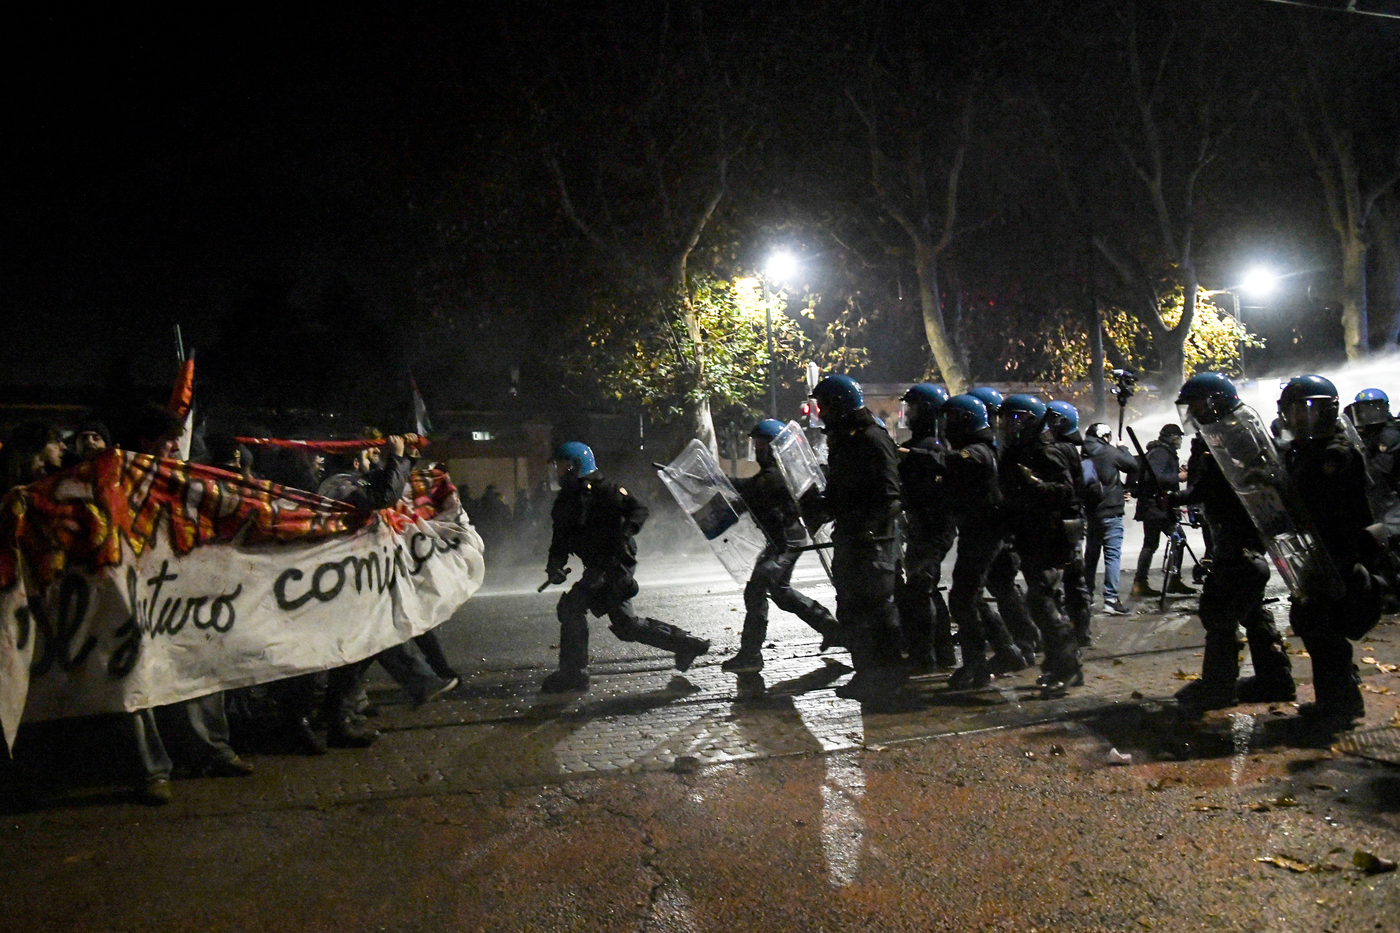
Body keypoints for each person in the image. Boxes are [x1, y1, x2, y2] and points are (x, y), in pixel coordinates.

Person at [540, 442, 710, 693]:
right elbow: (561, 539)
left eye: (562, 466)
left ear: (576, 466)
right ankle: (685, 644)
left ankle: (574, 674)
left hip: (615, 564)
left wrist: (624, 533)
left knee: (572, 606)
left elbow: (639, 510)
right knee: (626, 626)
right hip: (597, 566)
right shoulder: (565, 500)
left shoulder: (606, 490)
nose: (558, 471)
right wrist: (554, 566)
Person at [1171, 373, 1294, 714]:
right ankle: (1275, 679)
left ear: (1216, 402)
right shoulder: (1218, 436)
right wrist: (1179, 496)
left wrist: (1185, 494)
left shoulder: (1236, 435)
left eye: (1198, 404)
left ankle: (1218, 687)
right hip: (1234, 534)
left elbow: (1233, 484)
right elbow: (1208, 486)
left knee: (1219, 611)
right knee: (1252, 610)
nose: (1193, 413)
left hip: (1241, 535)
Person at [1278, 375, 1383, 733]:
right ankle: (1337, 699)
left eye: (1307, 410)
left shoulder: (1336, 454)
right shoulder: (1304, 450)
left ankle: (1340, 704)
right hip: (1318, 549)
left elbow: (1324, 503)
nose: (1298, 419)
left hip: (1338, 548)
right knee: (1314, 623)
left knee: (1323, 623)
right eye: (1293, 411)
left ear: (1328, 411)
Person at [805, 375, 905, 702]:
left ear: (838, 404)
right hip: (852, 538)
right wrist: (820, 504)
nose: (819, 413)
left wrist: (868, 531)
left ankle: (887, 680)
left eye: (822, 406)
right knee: (851, 612)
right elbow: (842, 492)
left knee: (875, 614)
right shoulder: (845, 438)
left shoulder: (870, 438)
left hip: (871, 542)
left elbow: (890, 496)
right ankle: (867, 675)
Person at [720, 420, 839, 672]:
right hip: (781, 541)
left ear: (773, 448)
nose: (757, 450)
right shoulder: (773, 474)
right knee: (781, 593)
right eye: (756, 445)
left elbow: (747, 491)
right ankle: (832, 628)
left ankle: (751, 655)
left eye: (761, 445)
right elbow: (747, 498)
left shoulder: (775, 476)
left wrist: (716, 479)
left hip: (786, 543)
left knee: (756, 590)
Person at [996, 394, 1083, 692]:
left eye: (1013, 418)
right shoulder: (1016, 452)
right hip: (1030, 536)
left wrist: (1035, 484)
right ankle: (1061, 665)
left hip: (1049, 537)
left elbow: (1066, 493)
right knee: (1043, 601)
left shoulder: (1044, 452)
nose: (1006, 424)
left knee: (1041, 600)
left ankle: (1067, 667)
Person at [940, 394, 1027, 687]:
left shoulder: (976, 452)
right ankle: (1007, 650)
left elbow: (954, 462)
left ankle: (976, 665)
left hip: (983, 533)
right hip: (986, 531)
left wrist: (917, 455)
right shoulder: (986, 446)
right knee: (972, 596)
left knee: (962, 599)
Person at [896, 383, 958, 672]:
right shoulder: (925, 444)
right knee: (927, 589)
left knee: (921, 590)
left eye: (914, 408)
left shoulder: (931, 447)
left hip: (931, 526)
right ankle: (941, 652)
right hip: (927, 525)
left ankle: (926, 656)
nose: (908, 413)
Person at [1045, 401, 1096, 646]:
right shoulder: (1076, 449)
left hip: (1066, 520)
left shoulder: (1062, 450)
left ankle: (1069, 632)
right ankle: (1080, 631)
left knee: (1066, 580)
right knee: (1075, 580)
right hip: (1073, 518)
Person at [1081, 422, 1139, 616]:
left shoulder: (1084, 452)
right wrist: (1122, 447)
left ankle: (1086, 596)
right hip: (1111, 512)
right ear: (1105, 435)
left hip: (1091, 513)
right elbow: (1132, 465)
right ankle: (1111, 599)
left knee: (1091, 556)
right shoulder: (1109, 452)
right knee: (1112, 556)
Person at [1130, 423, 1193, 599]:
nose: (1180, 440)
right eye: (1178, 436)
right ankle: (1172, 580)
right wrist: (1177, 477)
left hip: (1153, 506)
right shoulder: (1161, 453)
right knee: (1178, 539)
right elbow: (1155, 476)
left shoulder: (1160, 451)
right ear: (1172, 437)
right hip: (1157, 506)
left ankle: (1140, 582)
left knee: (1150, 544)